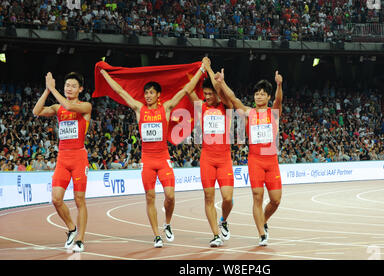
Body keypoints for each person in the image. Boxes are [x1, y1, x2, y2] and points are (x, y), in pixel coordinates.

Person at [100, 61, 205, 248]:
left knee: (170, 196)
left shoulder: (165, 109)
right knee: (150, 197)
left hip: (163, 158)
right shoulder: (140, 109)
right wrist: (105, 75)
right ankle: (156, 235)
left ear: (158, 95)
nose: (147, 96)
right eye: (145, 93)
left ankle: (167, 223)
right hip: (147, 160)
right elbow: (121, 92)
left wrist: (202, 70)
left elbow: (186, 89)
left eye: (151, 93)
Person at [216, 69, 283, 246]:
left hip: (272, 161)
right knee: (257, 196)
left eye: (262, 94)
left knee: (275, 200)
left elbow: (279, 100)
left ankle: (264, 220)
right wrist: (222, 83)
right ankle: (261, 234)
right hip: (255, 160)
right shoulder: (249, 112)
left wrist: (279, 84)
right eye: (256, 93)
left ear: (268, 97)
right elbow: (233, 99)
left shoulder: (274, 113)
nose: (259, 96)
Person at [32, 72, 92, 253]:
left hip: (79, 158)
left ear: (80, 89)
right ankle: (72, 229)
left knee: (79, 199)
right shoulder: (58, 108)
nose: (69, 88)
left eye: (73, 86)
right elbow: (36, 112)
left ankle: (81, 239)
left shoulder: (86, 106)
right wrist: (46, 91)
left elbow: (68, 104)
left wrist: (53, 88)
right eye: (66, 85)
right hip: (63, 159)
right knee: (56, 199)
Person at [186, 57, 234, 247]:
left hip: (224, 159)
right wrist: (200, 71)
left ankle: (223, 220)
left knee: (228, 198)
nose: (206, 96)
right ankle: (215, 235)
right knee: (208, 197)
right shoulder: (201, 107)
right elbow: (188, 90)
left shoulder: (226, 106)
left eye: (209, 94)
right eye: (204, 93)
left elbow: (222, 91)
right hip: (207, 158)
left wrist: (209, 67)